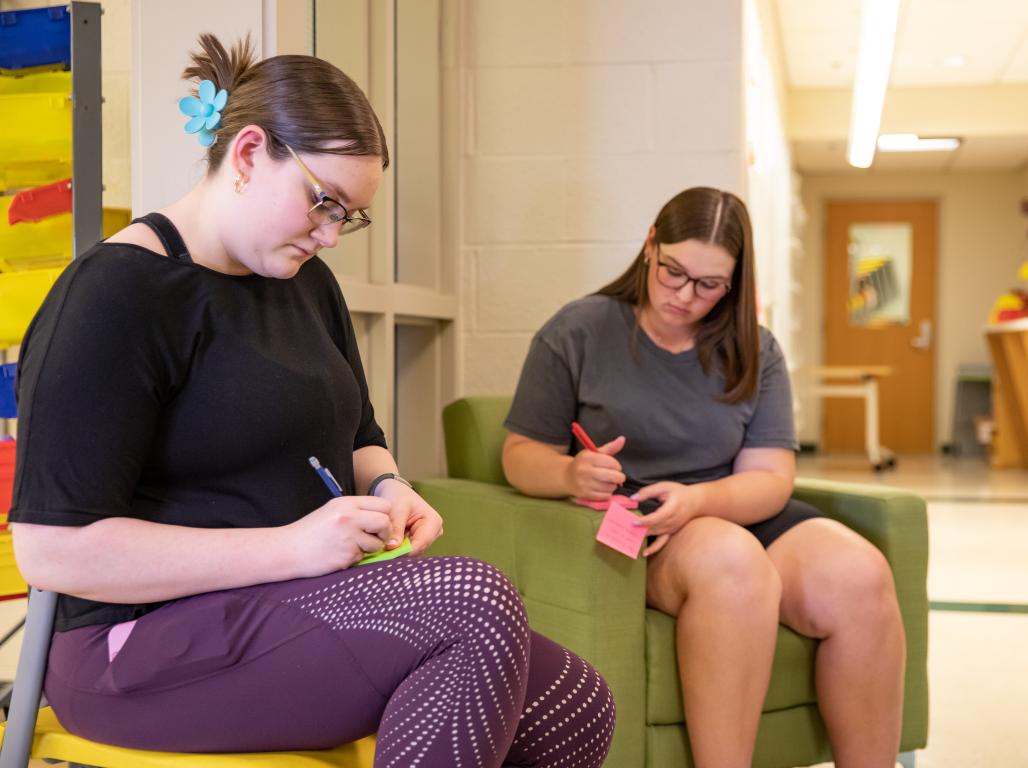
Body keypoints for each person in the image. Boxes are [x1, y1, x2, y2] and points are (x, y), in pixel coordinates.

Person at [9, 34, 614, 767]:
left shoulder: (303, 283)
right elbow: (52, 550)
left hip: (281, 607)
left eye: (348, 216)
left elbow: (358, 432)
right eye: (322, 203)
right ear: (248, 153)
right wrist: (294, 547)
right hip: (137, 648)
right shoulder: (117, 297)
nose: (329, 235)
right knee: (471, 603)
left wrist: (388, 484)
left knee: (577, 704)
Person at [501, 187, 905, 768]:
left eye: (710, 285)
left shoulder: (753, 349)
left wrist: (700, 500)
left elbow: (770, 476)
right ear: (650, 247)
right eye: (674, 273)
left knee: (861, 574)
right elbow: (520, 454)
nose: (685, 296)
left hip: (730, 506)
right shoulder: (578, 330)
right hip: (645, 527)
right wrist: (570, 472)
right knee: (734, 565)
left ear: (735, 283)